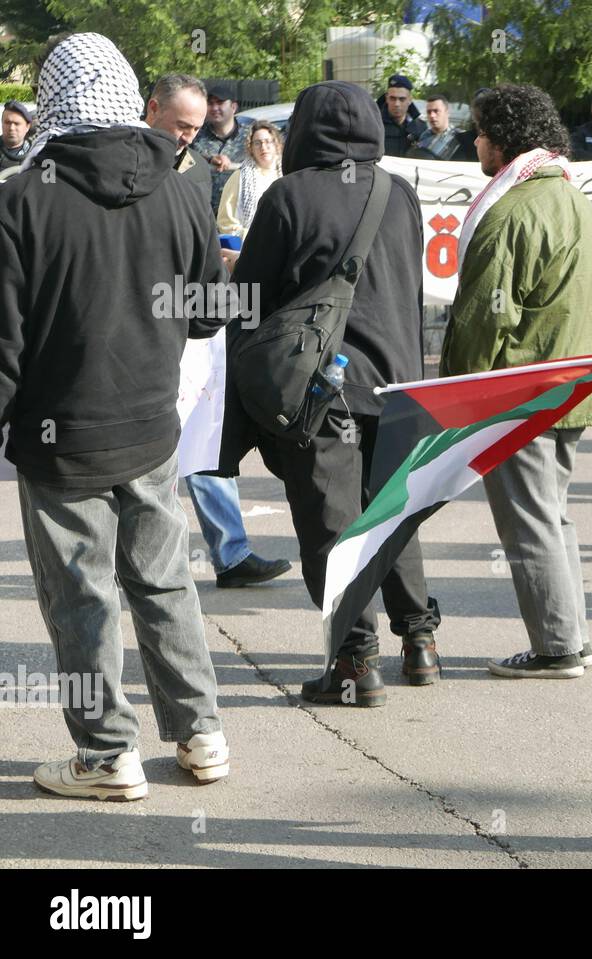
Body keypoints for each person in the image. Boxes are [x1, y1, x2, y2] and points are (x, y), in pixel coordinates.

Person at [0, 33, 231, 800]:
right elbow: (206, 314)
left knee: (81, 594)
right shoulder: (180, 185)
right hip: (150, 427)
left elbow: (6, 342)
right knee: (165, 582)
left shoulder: (22, 196)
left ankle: (106, 754)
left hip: (58, 437)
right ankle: (201, 734)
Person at [221, 81, 441, 704]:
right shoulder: (400, 193)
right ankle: (420, 643)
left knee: (330, 521)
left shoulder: (289, 195)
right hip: (399, 383)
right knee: (392, 511)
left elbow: (251, 300)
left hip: (322, 385)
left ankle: (353, 661)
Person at [440, 83, 592, 679]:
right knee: (553, 516)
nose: (476, 141)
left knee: (530, 524)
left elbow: (486, 316)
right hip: (569, 385)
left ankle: (557, 647)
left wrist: (457, 398)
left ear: (506, 138)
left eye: (483, 131)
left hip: (522, 391)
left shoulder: (512, 208)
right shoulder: (573, 197)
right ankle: (571, 638)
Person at [145, 76, 293, 589]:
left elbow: (198, 244)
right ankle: (143, 560)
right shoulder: (132, 164)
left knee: (203, 436)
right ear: (151, 108)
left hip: (189, 320)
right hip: (142, 327)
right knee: (158, 450)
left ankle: (230, 555)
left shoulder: (185, 169)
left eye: (194, 126)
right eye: (181, 125)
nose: (189, 135)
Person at [191, 81, 251, 214]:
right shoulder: (195, 134)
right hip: (204, 213)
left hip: (238, 215)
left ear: (233, 107)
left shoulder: (251, 137)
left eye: (220, 103)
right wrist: (210, 159)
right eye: (211, 103)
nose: (214, 108)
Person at [217, 120, 283, 237]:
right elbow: (225, 223)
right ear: (250, 148)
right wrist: (254, 237)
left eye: (268, 141)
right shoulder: (239, 177)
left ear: (277, 144)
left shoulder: (287, 174)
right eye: (257, 143)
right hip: (249, 246)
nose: (263, 147)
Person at [377, 73, 427, 158]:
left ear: (410, 100)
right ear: (387, 98)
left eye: (402, 99)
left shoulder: (420, 127)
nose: (397, 104)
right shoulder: (374, 124)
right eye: (392, 98)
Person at [412, 92, 473, 161]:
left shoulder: (461, 136)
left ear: (447, 112)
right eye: (429, 112)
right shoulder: (424, 136)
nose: (432, 115)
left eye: (436, 111)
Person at [0, 100, 33, 172]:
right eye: (7, 122)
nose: (11, 128)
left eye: (17, 123)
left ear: (27, 127)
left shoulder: (36, 154)